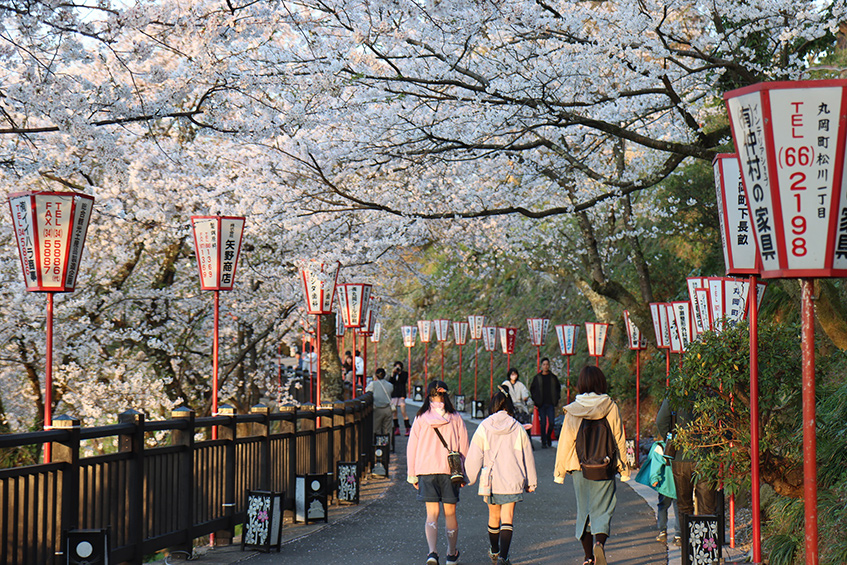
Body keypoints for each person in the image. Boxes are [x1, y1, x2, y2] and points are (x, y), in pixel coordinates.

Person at [554, 366, 629, 565]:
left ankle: (588, 558)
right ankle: (600, 545)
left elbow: (565, 441)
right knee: (603, 509)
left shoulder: (573, 409)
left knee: (584, 509)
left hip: (579, 467)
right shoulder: (610, 406)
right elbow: (619, 437)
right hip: (604, 466)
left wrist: (559, 472)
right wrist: (624, 468)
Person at [465, 386, 537, 565]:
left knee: (493, 516)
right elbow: (528, 455)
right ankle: (504, 556)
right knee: (508, 518)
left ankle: (495, 551)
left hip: (491, 480)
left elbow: (474, 455)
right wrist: (531, 481)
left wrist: (469, 477)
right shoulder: (517, 427)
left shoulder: (484, 426)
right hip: (512, 478)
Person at [407, 380, 469, 565]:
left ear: (428, 396)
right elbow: (464, 447)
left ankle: (432, 553)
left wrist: (413, 474)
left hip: (426, 470)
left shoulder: (420, 418)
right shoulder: (455, 418)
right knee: (450, 514)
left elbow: (412, 448)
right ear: (445, 395)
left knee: (431, 514)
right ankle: (451, 554)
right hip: (450, 472)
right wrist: (463, 473)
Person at [656, 395, 717, 543]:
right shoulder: (711, 392)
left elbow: (661, 421)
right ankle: (706, 549)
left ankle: (688, 547)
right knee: (707, 507)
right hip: (705, 456)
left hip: (680, 456)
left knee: (684, 506)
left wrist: (672, 440)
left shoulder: (674, 394)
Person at [634, 438, 679, 544]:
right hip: (678, 483)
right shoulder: (681, 444)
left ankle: (662, 531)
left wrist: (654, 479)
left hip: (665, 484)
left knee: (663, 507)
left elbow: (656, 464)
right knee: (678, 509)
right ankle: (679, 535)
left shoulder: (661, 446)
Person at [529, 358, 561, 448]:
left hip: (551, 403)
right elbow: (532, 389)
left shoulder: (553, 378)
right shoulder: (538, 378)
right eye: (544, 364)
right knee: (542, 423)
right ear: (541, 366)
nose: (545, 366)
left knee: (551, 422)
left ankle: (548, 437)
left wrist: (557, 398)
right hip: (541, 404)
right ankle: (543, 441)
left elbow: (558, 388)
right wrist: (535, 400)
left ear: (549, 365)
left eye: (547, 364)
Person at [366, 367, 394, 438]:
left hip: (378, 408)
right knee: (387, 429)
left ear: (376, 375)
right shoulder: (390, 385)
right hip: (388, 408)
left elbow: (367, 391)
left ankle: (378, 445)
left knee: (376, 428)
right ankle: (388, 445)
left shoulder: (373, 384)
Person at [389, 361, 412, 436]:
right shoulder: (393, 374)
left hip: (401, 394)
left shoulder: (404, 374)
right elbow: (390, 382)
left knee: (403, 412)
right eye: (396, 367)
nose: (398, 368)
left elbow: (403, 381)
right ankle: (397, 428)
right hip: (394, 394)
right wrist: (392, 374)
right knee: (394, 412)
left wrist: (400, 373)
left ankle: (407, 428)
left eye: (399, 367)